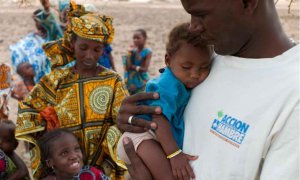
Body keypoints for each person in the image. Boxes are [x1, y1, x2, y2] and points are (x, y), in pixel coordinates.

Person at [117, 0, 299, 179]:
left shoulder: (292, 97)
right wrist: (133, 117)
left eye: (201, 14)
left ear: (248, 2)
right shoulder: (205, 60)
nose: (192, 28)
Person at [16, 1, 128, 179]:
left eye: (97, 49)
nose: (89, 55)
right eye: (83, 48)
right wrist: (47, 127)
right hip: (64, 167)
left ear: (103, 50)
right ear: (72, 43)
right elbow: (29, 109)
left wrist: (108, 156)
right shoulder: (57, 79)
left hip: (102, 166)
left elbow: (121, 119)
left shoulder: (112, 81)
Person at [117, 22, 213, 179]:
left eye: (203, 67)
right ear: (168, 60)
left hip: (155, 140)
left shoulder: (181, 81)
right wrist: (174, 154)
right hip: (142, 138)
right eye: (187, 67)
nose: (195, 74)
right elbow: (158, 118)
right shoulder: (168, 84)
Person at [9, 6, 63, 84]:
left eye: (43, 20)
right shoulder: (29, 40)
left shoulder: (57, 33)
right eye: (38, 20)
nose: (41, 22)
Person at [38, 128, 109, 180]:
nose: (74, 156)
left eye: (77, 149)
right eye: (64, 153)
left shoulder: (92, 175)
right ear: (50, 162)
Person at [125, 29, 152, 95]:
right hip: (131, 81)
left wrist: (133, 66)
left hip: (141, 81)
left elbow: (145, 69)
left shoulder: (147, 52)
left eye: (138, 38)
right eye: (134, 38)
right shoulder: (132, 51)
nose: (135, 40)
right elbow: (127, 67)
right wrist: (128, 53)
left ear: (145, 38)